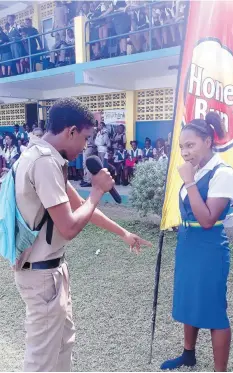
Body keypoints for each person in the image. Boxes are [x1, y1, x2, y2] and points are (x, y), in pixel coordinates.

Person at [14, 98, 151, 372]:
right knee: (41, 362)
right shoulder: (43, 163)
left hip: (50, 273)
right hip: (42, 278)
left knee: (63, 347)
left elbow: (79, 207)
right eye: (86, 138)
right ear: (71, 131)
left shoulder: (45, 156)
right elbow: (69, 227)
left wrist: (122, 232)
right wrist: (98, 192)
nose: (85, 148)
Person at [160, 112, 233, 372]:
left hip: (209, 248)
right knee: (189, 299)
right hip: (187, 245)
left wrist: (190, 181)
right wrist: (189, 178)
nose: (185, 152)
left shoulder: (222, 173)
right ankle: (188, 354)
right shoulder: (194, 170)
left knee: (215, 311)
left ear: (208, 141)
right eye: (182, 146)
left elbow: (207, 219)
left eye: (190, 145)